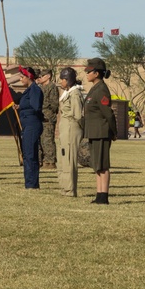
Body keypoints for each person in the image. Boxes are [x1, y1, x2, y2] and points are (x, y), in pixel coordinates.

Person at [83, 58, 117, 204]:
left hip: (101, 132)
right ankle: (99, 194)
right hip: (93, 131)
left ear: (96, 73)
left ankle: (104, 196)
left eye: (89, 72)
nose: (87, 74)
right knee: (97, 165)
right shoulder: (94, 89)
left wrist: (114, 132)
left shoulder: (102, 89)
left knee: (103, 165)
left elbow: (108, 113)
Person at [56, 67, 85, 197]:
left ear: (68, 80)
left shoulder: (75, 94)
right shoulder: (67, 93)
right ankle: (64, 187)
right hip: (64, 128)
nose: (61, 82)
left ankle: (70, 189)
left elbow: (78, 115)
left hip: (71, 128)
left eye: (62, 79)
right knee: (62, 159)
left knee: (69, 159)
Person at [16, 66, 44, 189]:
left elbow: (35, 106)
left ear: (29, 77)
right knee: (27, 153)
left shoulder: (35, 90)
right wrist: (20, 107)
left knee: (30, 154)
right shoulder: (29, 90)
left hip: (32, 123)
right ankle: (29, 182)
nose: (21, 79)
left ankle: (32, 183)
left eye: (22, 77)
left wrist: (25, 108)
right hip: (27, 123)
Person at [38, 69, 60, 171]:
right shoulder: (40, 88)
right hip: (40, 117)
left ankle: (50, 161)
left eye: (42, 76)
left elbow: (54, 104)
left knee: (48, 140)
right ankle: (42, 160)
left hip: (48, 117)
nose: (39, 78)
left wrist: (45, 110)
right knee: (41, 140)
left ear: (48, 76)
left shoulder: (52, 87)